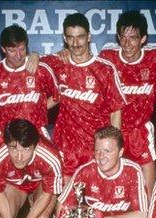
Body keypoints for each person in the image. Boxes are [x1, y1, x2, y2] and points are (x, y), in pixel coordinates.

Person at [42, 13, 125, 182]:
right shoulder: (57, 63)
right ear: (65, 38)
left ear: (89, 37)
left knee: (95, 201)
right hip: (66, 147)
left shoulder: (105, 69)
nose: (75, 43)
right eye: (70, 38)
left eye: (80, 37)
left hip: (96, 148)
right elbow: (24, 61)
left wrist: (113, 147)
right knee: (67, 202)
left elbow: (116, 111)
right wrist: (35, 55)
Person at [99, 11, 156, 196]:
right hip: (113, 130)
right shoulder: (107, 58)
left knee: (148, 191)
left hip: (140, 132)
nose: (127, 44)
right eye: (123, 37)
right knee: (111, 190)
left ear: (143, 38)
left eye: (133, 38)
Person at [0, 24, 59, 151]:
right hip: (5, 139)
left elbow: (57, 97)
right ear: (3, 49)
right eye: (12, 50)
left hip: (37, 136)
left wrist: (38, 107)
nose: (18, 55)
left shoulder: (40, 69)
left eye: (22, 49)